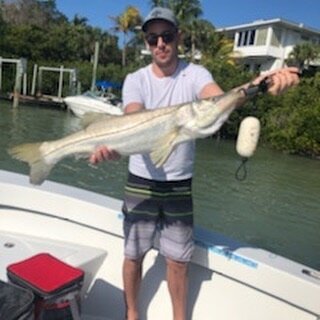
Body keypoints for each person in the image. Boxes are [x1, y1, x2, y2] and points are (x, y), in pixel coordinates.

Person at [90, 7, 299, 320]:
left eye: (167, 35)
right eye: (152, 37)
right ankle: (131, 314)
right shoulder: (135, 80)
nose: (160, 43)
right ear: (147, 43)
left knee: (178, 260)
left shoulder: (196, 75)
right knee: (133, 254)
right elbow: (132, 118)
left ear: (179, 38)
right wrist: (113, 146)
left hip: (179, 184)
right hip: (140, 182)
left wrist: (258, 84)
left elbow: (219, 101)